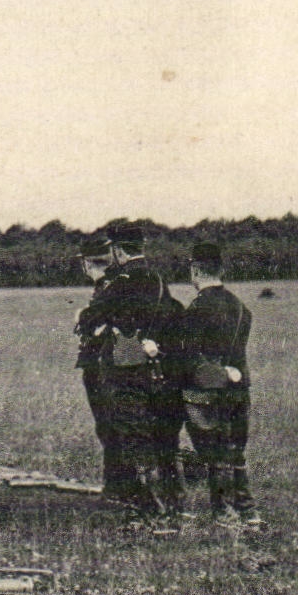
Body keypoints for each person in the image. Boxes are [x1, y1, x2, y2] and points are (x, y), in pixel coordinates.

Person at [76, 222, 183, 531]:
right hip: (158, 371)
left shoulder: (121, 282)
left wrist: (85, 317)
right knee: (161, 438)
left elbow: (91, 317)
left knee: (132, 438)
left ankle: (146, 510)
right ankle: (172, 505)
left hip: (126, 374)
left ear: (118, 251)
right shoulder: (158, 280)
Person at [174, 242, 261, 528]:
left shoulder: (196, 309)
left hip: (208, 393)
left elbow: (190, 359)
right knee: (235, 452)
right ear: (220, 270)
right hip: (239, 390)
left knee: (216, 454)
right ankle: (248, 512)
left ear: (195, 271)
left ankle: (226, 514)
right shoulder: (241, 307)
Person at [73, 235, 136, 504]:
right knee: (111, 426)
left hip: (103, 366)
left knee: (110, 426)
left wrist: (82, 318)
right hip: (107, 363)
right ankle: (119, 485)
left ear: (86, 264)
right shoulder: (111, 285)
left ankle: (118, 487)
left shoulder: (107, 288)